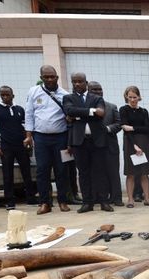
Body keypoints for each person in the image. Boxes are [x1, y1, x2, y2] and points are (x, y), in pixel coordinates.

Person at [24, 65, 71, 215]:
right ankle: (45, 203)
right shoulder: (33, 92)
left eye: (52, 77)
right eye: (46, 77)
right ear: (41, 78)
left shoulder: (65, 95)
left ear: (57, 77)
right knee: (42, 170)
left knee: (61, 170)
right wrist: (28, 135)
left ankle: (62, 201)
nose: (50, 79)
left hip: (60, 137)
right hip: (41, 138)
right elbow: (29, 114)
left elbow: (70, 118)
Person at [63, 72, 112, 213]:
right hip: (79, 141)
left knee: (100, 172)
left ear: (86, 82)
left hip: (97, 140)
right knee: (83, 173)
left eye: (80, 81)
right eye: (74, 82)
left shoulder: (96, 98)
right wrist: (91, 111)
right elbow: (69, 110)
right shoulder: (68, 98)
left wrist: (78, 115)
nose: (77, 84)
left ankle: (104, 201)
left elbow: (101, 113)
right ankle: (87, 203)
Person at [0, 86, 36, 209]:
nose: (4, 97)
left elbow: (25, 127)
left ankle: (30, 197)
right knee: (7, 174)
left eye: (7, 95)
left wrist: (29, 142)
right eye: (2, 95)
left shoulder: (19, 109)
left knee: (26, 172)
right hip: (6, 146)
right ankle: (10, 201)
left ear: (13, 95)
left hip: (21, 145)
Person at [85, 82, 123, 207]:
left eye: (99, 89)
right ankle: (98, 198)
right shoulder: (85, 108)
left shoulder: (111, 107)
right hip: (93, 145)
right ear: (88, 91)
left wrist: (106, 129)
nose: (97, 92)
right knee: (96, 172)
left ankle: (116, 198)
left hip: (110, 145)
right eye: (94, 90)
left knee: (113, 171)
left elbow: (118, 124)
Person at [119, 86, 149, 207]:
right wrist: (134, 145)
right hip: (130, 143)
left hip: (144, 142)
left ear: (139, 97)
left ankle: (147, 198)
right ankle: (130, 199)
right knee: (131, 173)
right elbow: (125, 128)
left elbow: (147, 128)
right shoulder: (124, 110)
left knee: (145, 172)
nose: (133, 100)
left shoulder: (143, 111)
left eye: (135, 97)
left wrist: (133, 128)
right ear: (126, 97)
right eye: (130, 97)